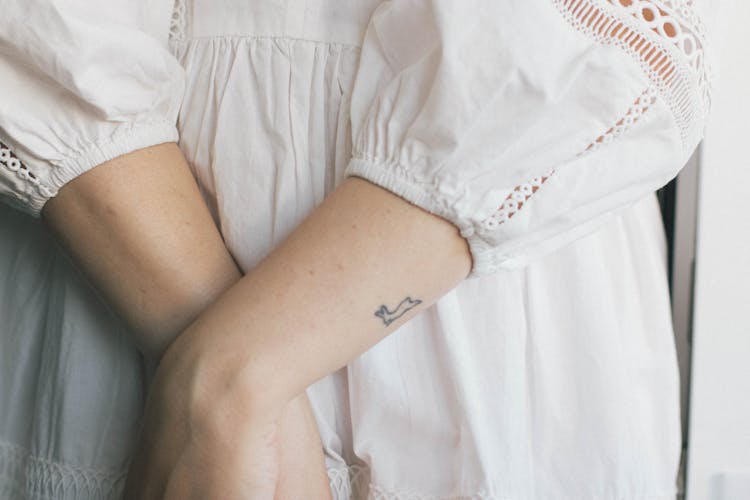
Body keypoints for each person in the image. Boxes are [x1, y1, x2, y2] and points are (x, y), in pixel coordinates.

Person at [0, 0, 713, 498]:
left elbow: (597, 33)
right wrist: (226, 376)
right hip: (120, 233)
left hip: (494, 244)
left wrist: (231, 370)